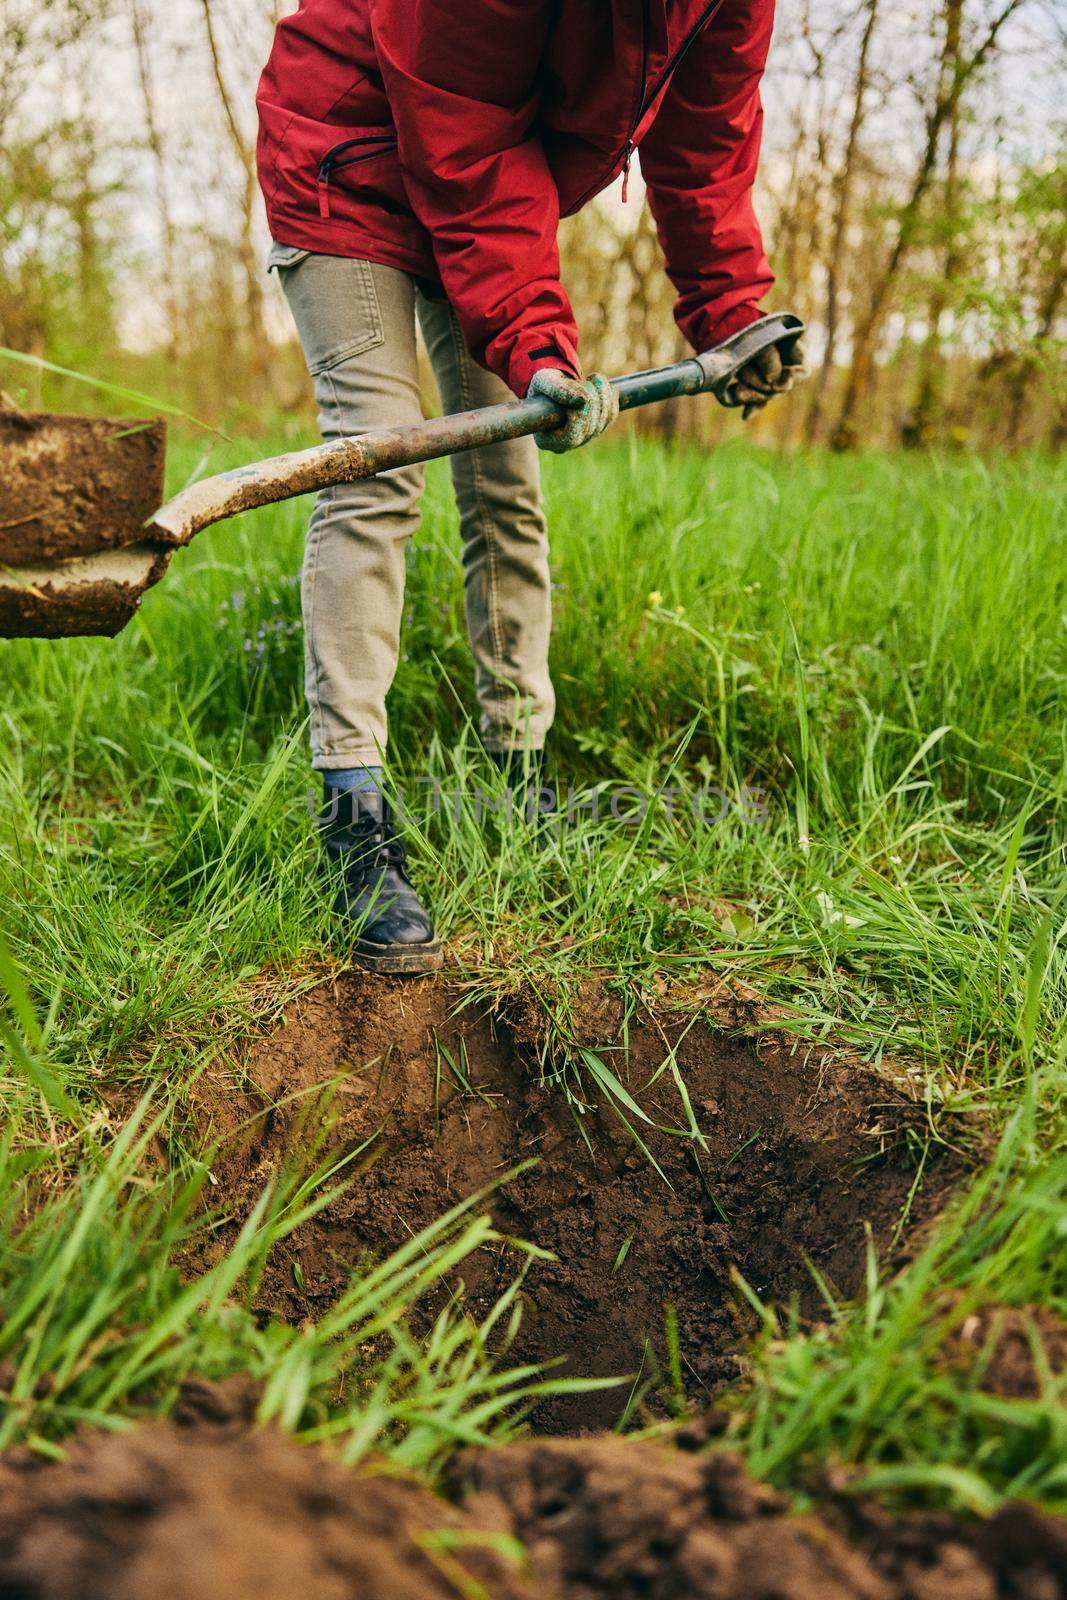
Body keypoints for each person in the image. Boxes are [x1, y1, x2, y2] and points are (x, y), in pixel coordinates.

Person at [256, 0, 802, 974]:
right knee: (378, 462)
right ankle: (352, 810)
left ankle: (515, 770)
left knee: (505, 480)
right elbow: (466, 135)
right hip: (352, 163)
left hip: (482, 192)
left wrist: (730, 314)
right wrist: (535, 340)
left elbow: (705, 136)